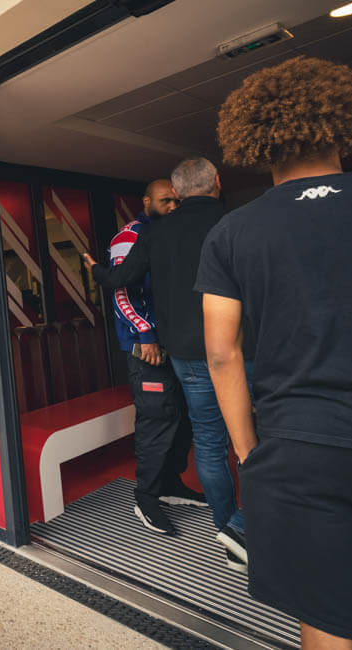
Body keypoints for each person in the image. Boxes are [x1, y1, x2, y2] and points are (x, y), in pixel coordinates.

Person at [200, 56, 352, 648]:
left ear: (256, 140)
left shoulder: (231, 234)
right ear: (341, 126)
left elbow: (221, 353)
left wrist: (248, 452)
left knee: (330, 626)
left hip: (296, 446)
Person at [84, 158, 252, 573]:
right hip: (238, 350)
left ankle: (227, 529)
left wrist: (95, 270)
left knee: (208, 442)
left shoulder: (157, 232)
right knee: (251, 440)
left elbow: (118, 279)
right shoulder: (238, 223)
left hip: (185, 354)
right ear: (217, 182)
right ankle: (247, 525)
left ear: (177, 193)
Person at [107, 179, 203, 537]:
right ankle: (146, 497)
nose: (172, 207)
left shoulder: (169, 234)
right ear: (146, 201)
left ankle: (170, 484)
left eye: (177, 202)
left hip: (176, 346)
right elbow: (120, 290)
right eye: (165, 201)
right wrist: (145, 333)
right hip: (146, 350)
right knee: (157, 421)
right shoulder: (129, 236)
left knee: (182, 418)